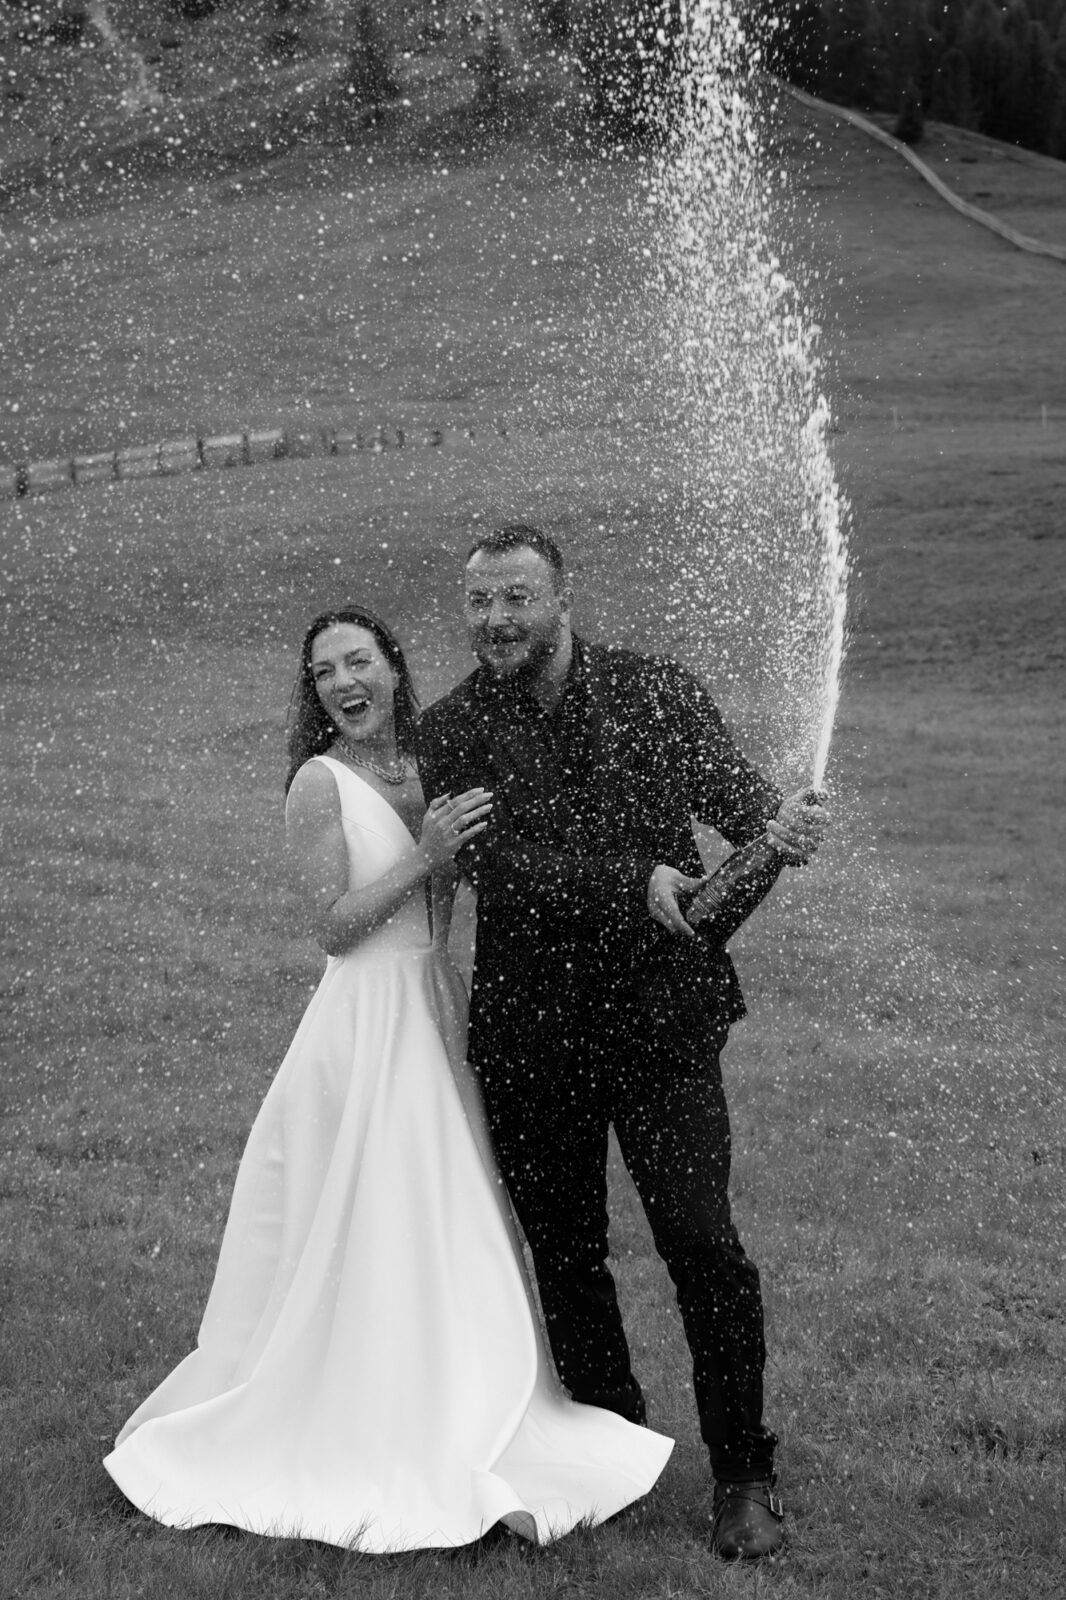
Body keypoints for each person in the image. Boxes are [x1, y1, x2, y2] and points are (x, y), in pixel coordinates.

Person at [104, 604, 672, 1552]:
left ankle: (471, 1398)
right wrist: (425, 857)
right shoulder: (318, 785)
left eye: (357, 661)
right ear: (314, 691)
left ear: (393, 667)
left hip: (434, 1008)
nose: (342, 683)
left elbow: (487, 874)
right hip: (365, 1024)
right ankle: (361, 1415)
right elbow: (331, 926)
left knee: (455, 1213)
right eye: (324, 672)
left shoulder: (432, 764)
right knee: (376, 1214)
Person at [416, 528, 828, 1562]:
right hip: (530, 1036)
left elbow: (736, 811)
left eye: (516, 597)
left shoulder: (655, 690)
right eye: (479, 603)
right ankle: (613, 1449)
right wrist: (633, 882)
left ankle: (741, 1470)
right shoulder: (453, 728)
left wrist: (778, 832)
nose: (496, 620)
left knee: (702, 1244)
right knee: (566, 1256)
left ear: (564, 598)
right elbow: (496, 866)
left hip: (660, 1027)